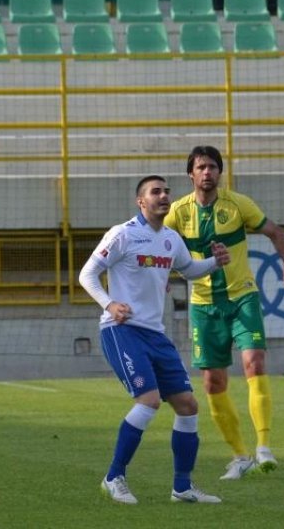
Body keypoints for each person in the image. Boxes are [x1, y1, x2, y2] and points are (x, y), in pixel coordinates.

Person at [79, 175, 231, 505]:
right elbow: (86, 274)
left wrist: (215, 264)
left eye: (166, 191)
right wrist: (110, 304)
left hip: (155, 335)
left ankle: (182, 487)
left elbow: (188, 269)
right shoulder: (122, 234)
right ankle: (113, 477)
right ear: (141, 201)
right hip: (122, 331)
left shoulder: (171, 240)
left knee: (188, 406)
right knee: (148, 400)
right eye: (155, 191)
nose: (164, 196)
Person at [164, 145, 284, 480]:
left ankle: (264, 447)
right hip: (203, 306)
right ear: (191, 174)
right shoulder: (179, 212)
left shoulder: (238, 204)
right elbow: (158, 244)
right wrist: (159, 278)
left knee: (254, 361)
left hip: (242, 297)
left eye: (213, 166)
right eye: (201, 167)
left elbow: (275, 231)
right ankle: (240, 456)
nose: (207, 172)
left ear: (220, 172)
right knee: (213, 381)